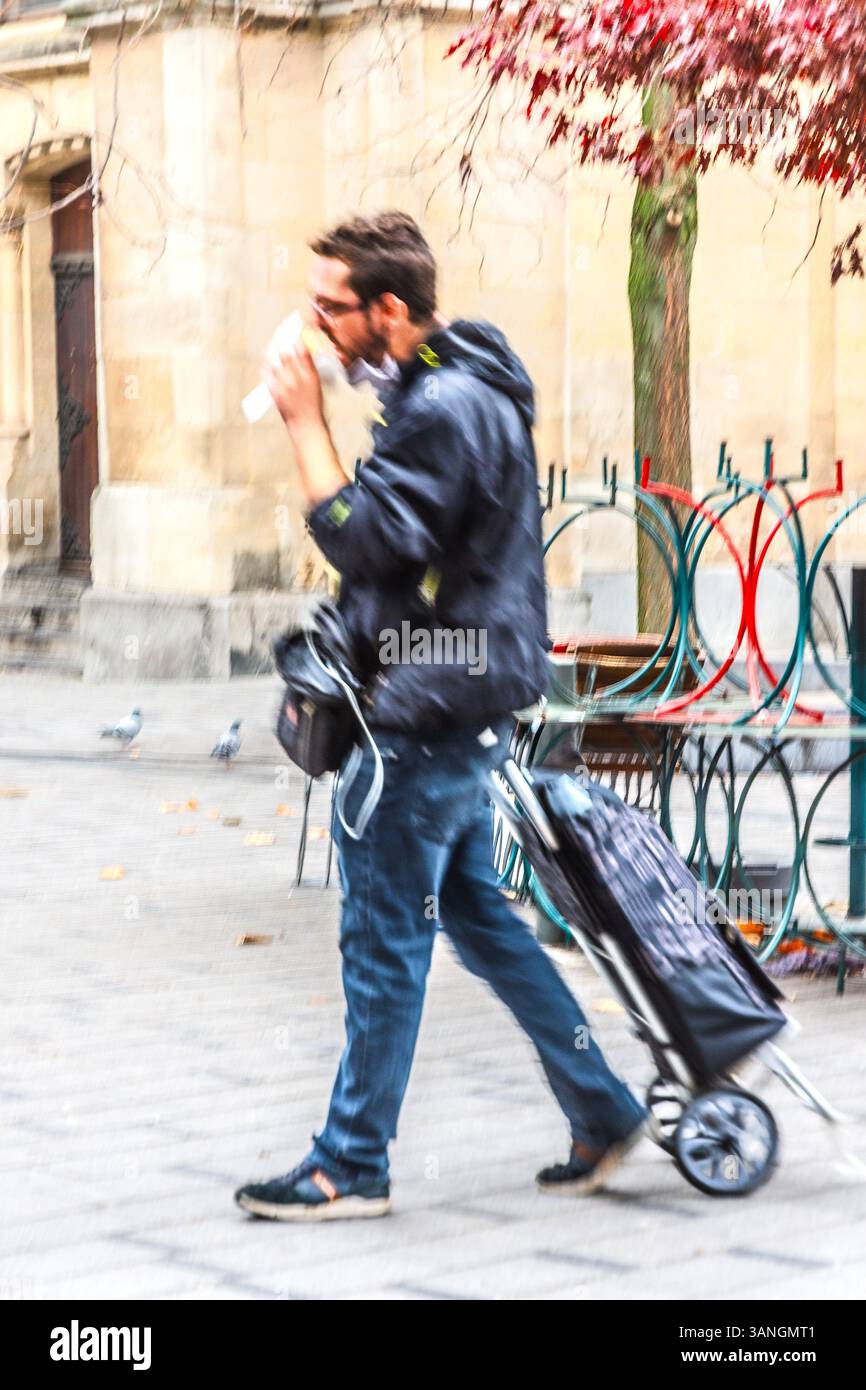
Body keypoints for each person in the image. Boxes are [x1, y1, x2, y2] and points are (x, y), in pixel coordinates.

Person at [234, 211, 647, 1222]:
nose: (315, 327)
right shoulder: (454, 390)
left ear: (388, 309)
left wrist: (302, 424)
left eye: (331, 307)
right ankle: (600, 1105)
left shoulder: (441, 406)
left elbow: (369, 542)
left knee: (383, 940)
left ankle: (349, 1164)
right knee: (482, 923)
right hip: (459, 700)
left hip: (419, 715)